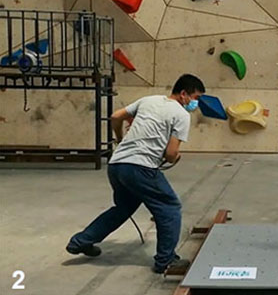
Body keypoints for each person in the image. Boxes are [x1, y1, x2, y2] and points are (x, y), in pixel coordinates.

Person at [66, 74, 205, 273]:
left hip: (117, 165)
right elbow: (171, 154)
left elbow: (115, 117)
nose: (195, 103)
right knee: (169, 208)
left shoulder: (149, 100)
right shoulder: (182, 115)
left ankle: (80, 241)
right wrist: (175, 157)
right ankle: (166, 260)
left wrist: (120, 139)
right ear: (184, 94)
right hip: (141, 168)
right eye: (195, 97)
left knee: (123, 208)